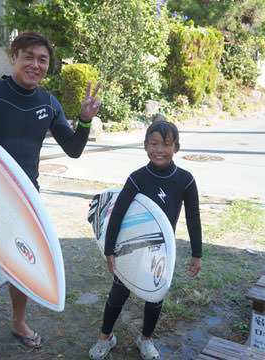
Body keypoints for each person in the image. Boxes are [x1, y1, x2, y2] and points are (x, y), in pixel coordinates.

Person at [0, 32, 101, 360]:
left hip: (27, 202)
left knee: (22, 266)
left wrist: (84, 120)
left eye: (42, 59)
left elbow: (73, 150)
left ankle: (19, 322)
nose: (35, 64)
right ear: (15, 56)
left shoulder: (48, 103)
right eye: (29, 56)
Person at [89, 121, 202, 360]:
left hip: (160, 252)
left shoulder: (185, 180)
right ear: (145, 146)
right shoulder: (137, 178)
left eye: (166, 144)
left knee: (155, 296)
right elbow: (117, 213)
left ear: (176, 148)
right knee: (118, 294)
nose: (159, 150)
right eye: (153, 144)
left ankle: (146, 339)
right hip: (132, 248)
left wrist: (197, 253)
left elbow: (193, 217)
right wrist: (109, 250)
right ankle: (105, 337)